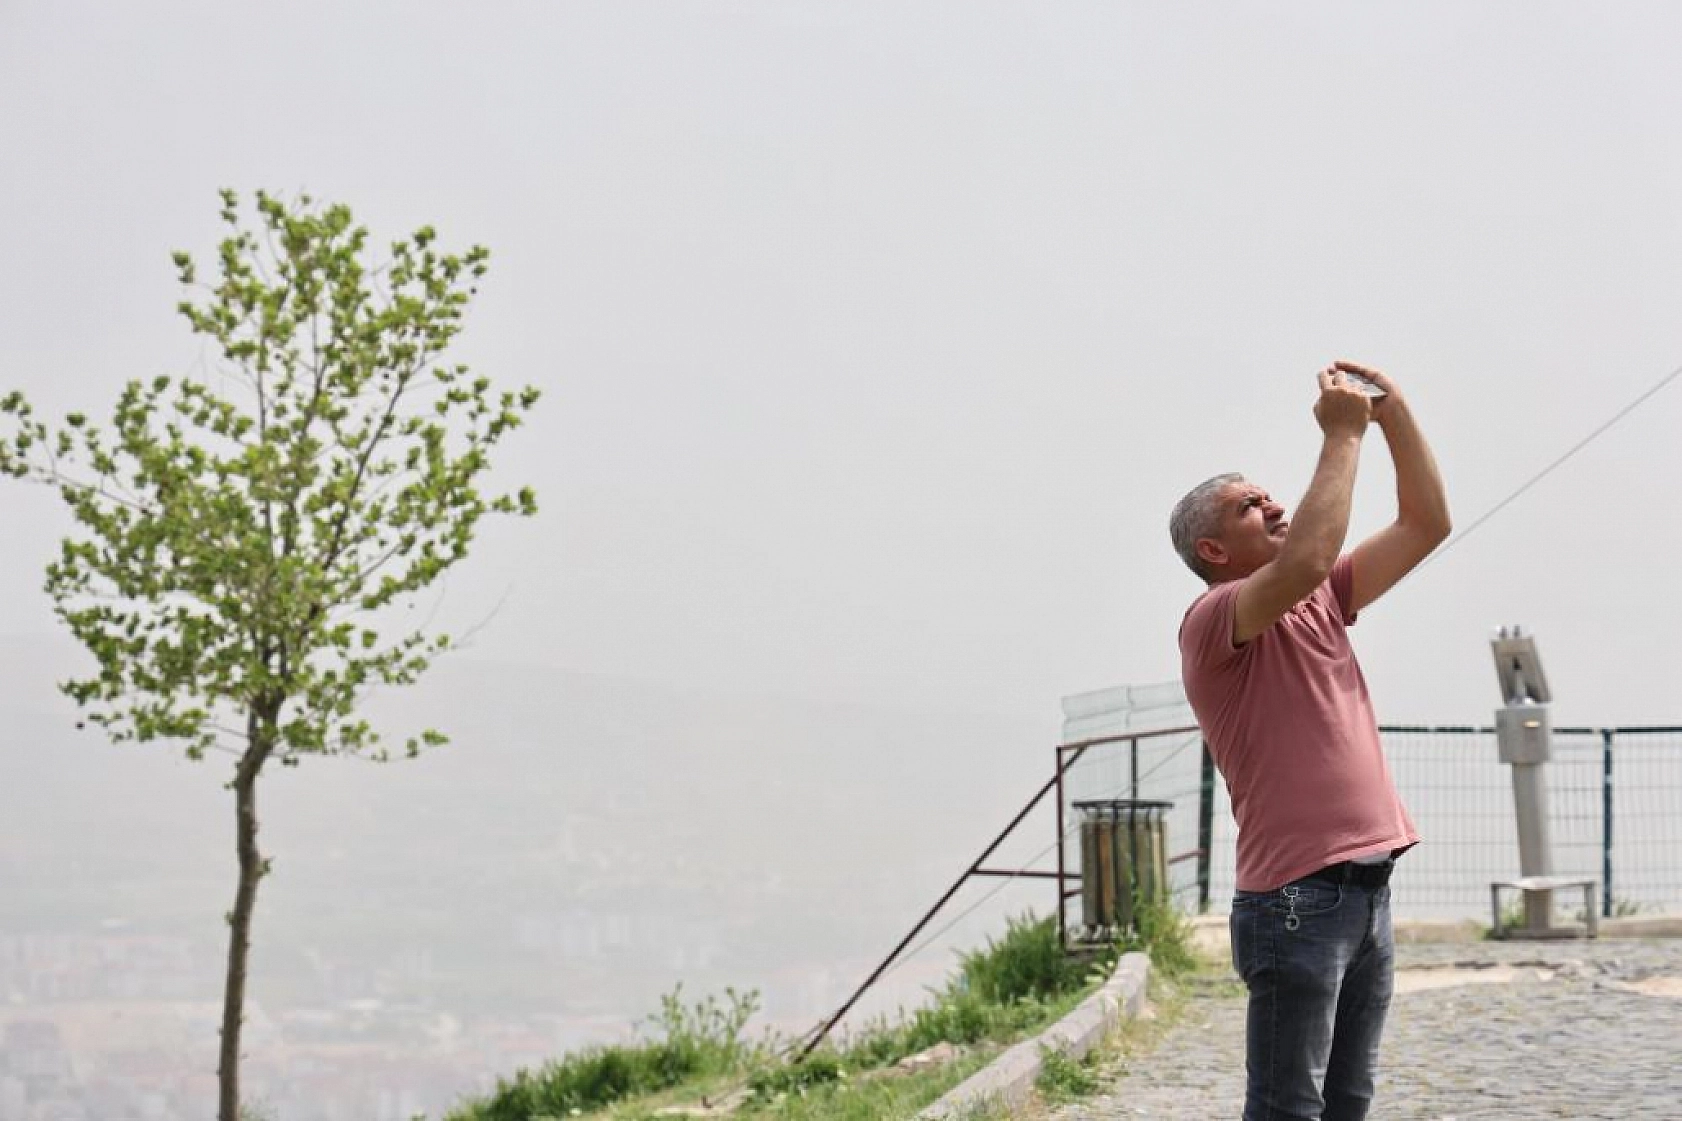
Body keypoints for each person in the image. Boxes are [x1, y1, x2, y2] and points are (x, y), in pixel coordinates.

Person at [1170, 361, 1451, 1121]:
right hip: (1294, 898)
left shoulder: (1320, 598)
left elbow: (1426, 524)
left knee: (1346, 1100)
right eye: (1245, 504)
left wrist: (1393, 416)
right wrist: (1341, 433)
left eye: (1265, 492)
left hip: (1366, 891)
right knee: (1287, 1107)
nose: (1270, 500)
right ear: (1214, 551)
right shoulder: (1213, 620)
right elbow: (1307, 559)